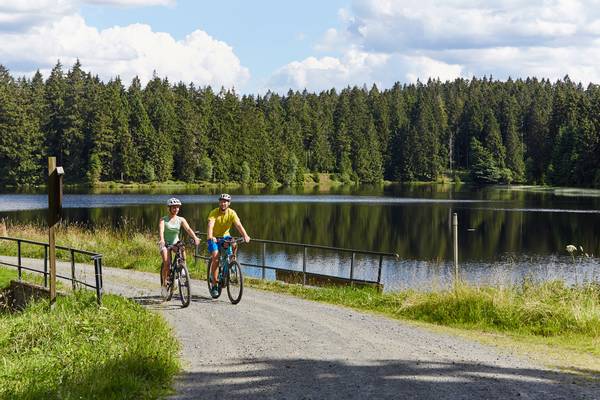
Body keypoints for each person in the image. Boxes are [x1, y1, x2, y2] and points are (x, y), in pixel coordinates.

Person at [207, 193, 250, 297]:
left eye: (225, 202)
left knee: (234, 243)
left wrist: (245, 235)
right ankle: (214, 284)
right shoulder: (214, 213)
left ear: (229, 203)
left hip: (225, 237)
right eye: (221, 201)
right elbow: (210, 225)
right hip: (214, 238)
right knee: (216, 257)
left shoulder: (232, 213)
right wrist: (210, 236)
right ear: (219, 202)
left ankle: (232, 261)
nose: (223, 203)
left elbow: (238, 225)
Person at [159, 197, 200, 298]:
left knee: (182, 247)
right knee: (167, 263)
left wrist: (195, 237)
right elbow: (161, 231)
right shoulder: (163, 220)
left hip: (175, 242)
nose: (176, 209)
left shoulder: (181, 219)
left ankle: (182, 268)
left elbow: (188, 229)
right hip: (165, 243)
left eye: (177, 207)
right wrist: (162, 240)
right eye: (173, 207)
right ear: (169, 208)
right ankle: (165, 284)